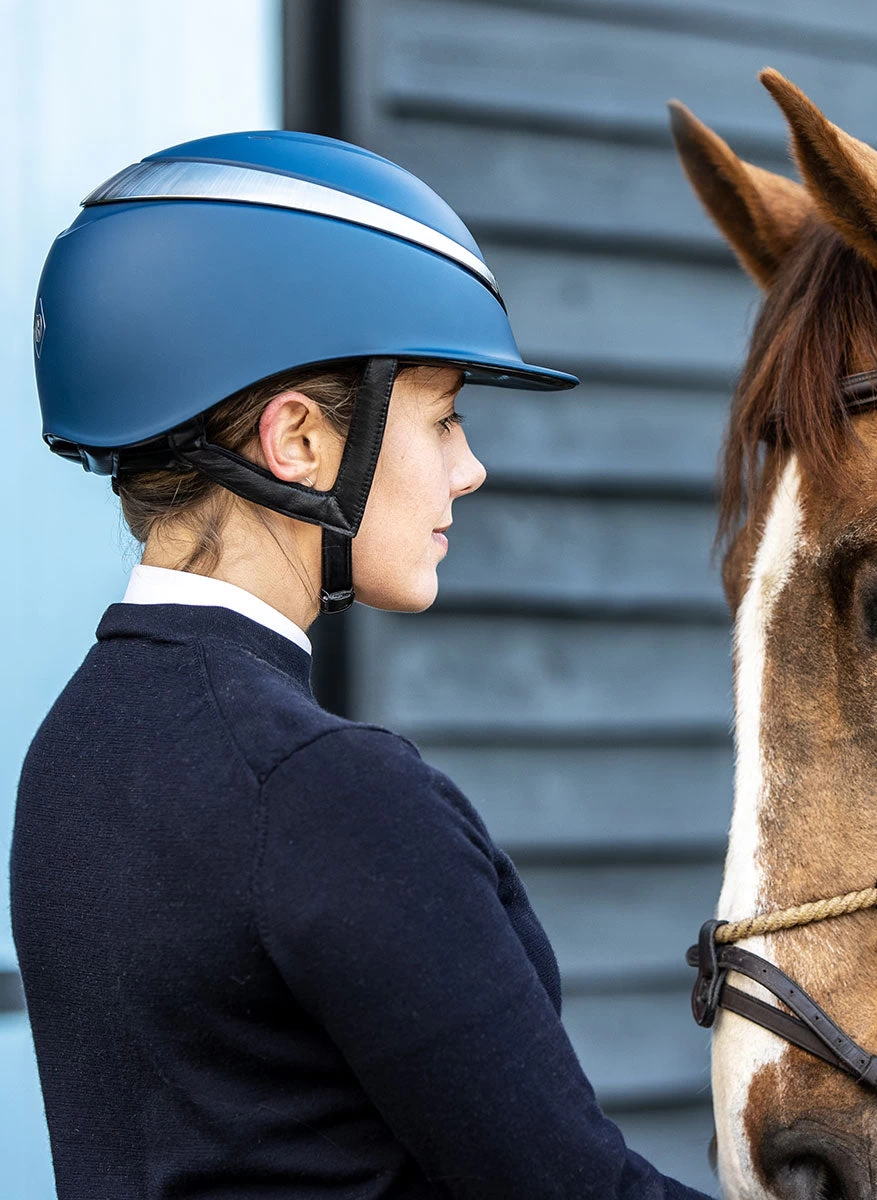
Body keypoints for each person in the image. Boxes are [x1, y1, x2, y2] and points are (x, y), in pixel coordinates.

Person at [10, 131, 714, 1200]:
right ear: (297, 441)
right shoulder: (324, 791)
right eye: (444, 417)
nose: (470, 469)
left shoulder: (71, 753)